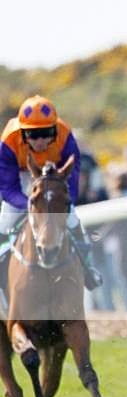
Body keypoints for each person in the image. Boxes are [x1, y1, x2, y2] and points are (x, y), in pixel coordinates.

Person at [0, 95, 102, 290]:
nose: (40, 140)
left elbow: (72, 177)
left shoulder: (65, 136)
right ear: (22, 133)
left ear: (55, 129)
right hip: (22, 178)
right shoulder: (8, 141)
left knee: (73, 221)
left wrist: (62, 203)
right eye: (33, 134)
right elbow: (7, 188)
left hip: (54, 177)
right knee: (4, 225)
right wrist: (31, 205)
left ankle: (89, 270)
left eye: (46, 132)